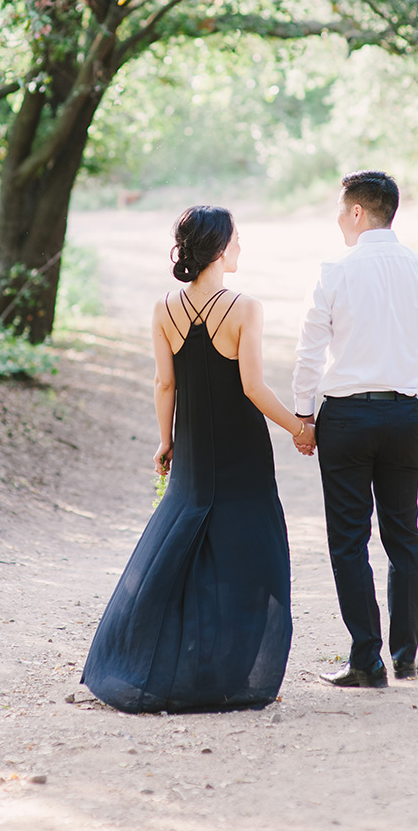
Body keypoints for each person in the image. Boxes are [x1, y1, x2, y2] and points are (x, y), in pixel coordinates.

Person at [81, 205, 315, 714]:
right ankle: (235, 671)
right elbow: (252, 386)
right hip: (241, 447)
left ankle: (146, 659)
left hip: (192, 445)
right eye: (236, 239)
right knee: (250, 549)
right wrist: (299, 429)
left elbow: (165, 382)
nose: (241, 248)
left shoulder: (164, 308)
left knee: (180, 542)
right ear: (218, 248)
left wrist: (163, 440)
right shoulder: (244, 307)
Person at [292, 170, 418, 688]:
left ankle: (367, 659)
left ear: (359, 212)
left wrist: (303, 415)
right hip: (403, 416)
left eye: (342, 211)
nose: (339, 220)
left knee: (348, 540)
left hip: (345, 418)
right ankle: (406, 655)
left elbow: (310, 351)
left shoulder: (335, 272)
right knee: (403, 534)